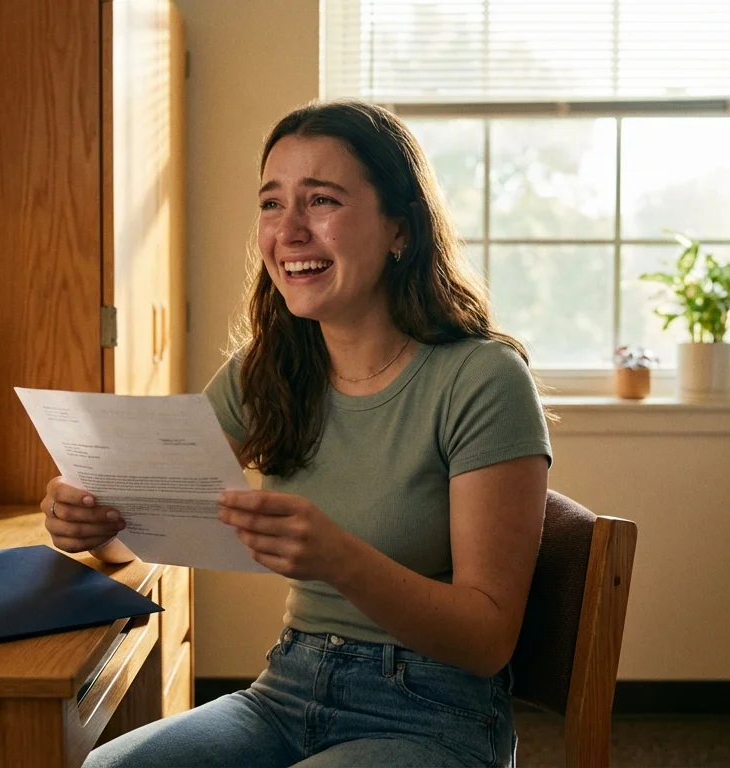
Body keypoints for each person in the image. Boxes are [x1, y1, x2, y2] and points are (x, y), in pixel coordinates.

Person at [41, 99, 552, 768]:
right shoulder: (267, 370)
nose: (289, 232)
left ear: (400, 227)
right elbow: (144, 529)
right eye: (272, 204)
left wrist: (340, 558)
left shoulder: (483, 378)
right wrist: (95, 524)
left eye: (322, 201)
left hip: (434, 713)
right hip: (289, 687)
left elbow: (487, 639)